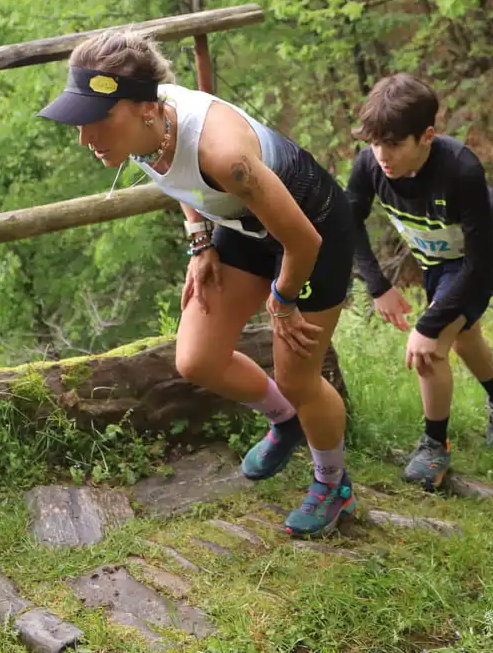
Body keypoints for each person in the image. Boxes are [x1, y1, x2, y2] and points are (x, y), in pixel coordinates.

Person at [39, 29, 355, 537]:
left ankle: (333, 481)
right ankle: (286, 421)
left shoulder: (224, 154)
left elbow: (303, 241)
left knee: (299, 376)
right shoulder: (142, 130)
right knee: (197, 359)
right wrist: (198, 239)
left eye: (95, 120)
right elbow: (172, 170)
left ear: (145, 107)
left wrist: (282, 300)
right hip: (241, 226)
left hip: (310, 230)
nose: (84, 138)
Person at [345, 74, 493, 491]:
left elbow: (477, 262)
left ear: (427, 136)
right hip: (435, 255)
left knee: (431, 347)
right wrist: (378, 286)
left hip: (479, 255)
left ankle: (434, 447)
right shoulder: (369, 164)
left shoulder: (460, 170)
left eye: (394, 144)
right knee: (463, 334)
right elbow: (347, 224)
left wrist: (427, 324)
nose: (382, 155)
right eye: (375, 143)